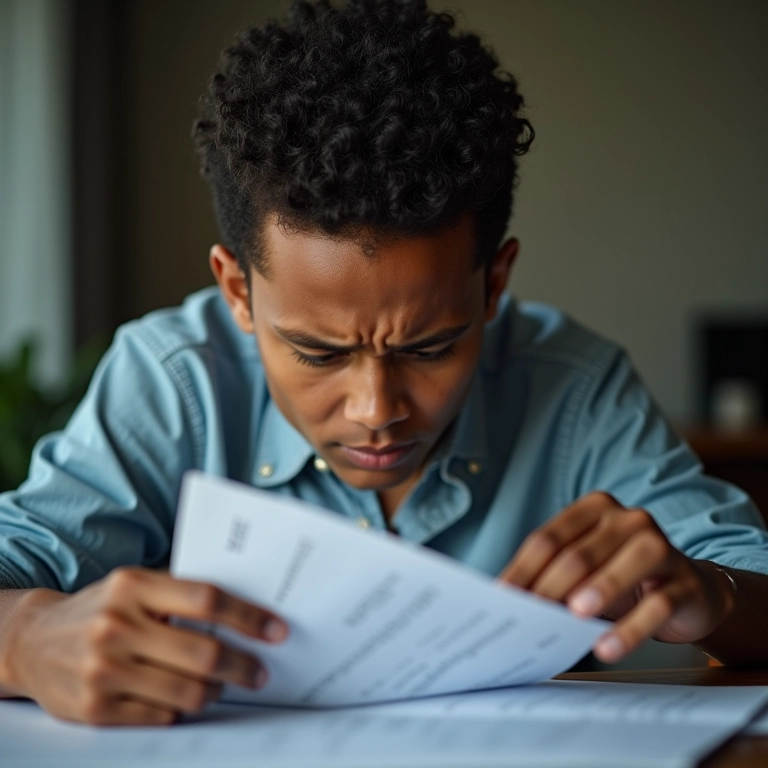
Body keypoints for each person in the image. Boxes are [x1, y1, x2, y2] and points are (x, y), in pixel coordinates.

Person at [0, 0, 766, 727]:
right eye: (317, 351)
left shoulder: (573, 386)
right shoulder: (173, 382)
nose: (376, 409)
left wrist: (712, 594)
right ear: (238, 289)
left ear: (494, 283)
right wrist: (23, 638)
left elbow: (746, 579)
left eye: (430, 347)